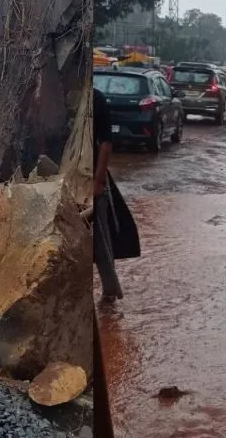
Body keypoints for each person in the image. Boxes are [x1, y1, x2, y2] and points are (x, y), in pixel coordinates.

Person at [93, 87, 124, 301]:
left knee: (100, 239)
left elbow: (106, 143)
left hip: (91, 176)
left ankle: (110, 291)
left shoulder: (97, 99)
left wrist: (98, 180)